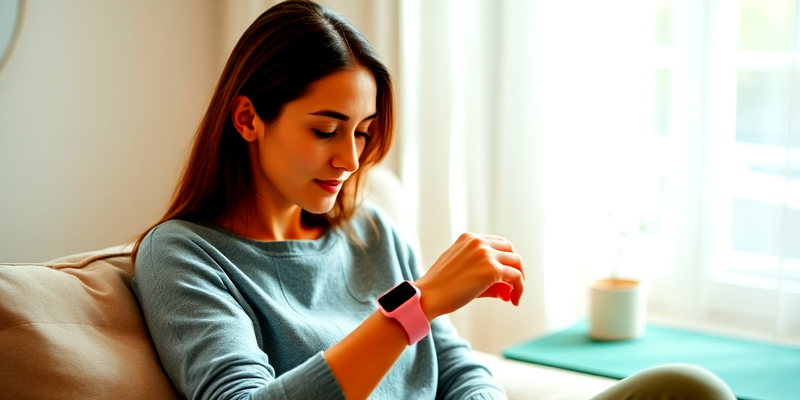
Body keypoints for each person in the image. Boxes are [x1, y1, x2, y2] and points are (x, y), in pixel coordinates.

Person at [131, 1, 736, 399]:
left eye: (363, 131)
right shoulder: (186, 256)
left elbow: (453, 363)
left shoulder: (368, 231)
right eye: (325, 129)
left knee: (686, 386)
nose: (350, 159)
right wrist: (415, 306)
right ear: (247, 119)